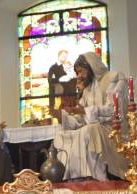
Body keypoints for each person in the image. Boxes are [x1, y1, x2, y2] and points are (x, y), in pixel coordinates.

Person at [54, 51, 129, 180]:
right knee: (63, 135)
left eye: (81, 71)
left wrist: (84, 111)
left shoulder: (114, 77)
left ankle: (96, 177)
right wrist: (63, 117)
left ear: (91, 67)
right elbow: (81, 119)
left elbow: (114, 110)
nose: (79, 76)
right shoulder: (88, 89)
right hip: (96, 130)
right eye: (77, 73)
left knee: (88, 131)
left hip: (114, 132)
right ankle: (75, 178)